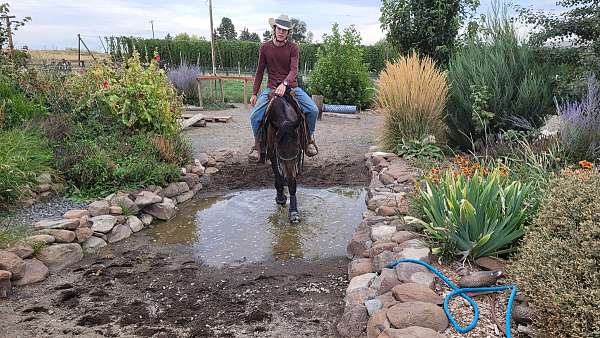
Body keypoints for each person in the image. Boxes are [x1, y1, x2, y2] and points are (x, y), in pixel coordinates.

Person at [248, 14, 319, 162]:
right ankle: (258, 146)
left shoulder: (293, 48)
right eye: (279, 28)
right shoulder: (265, 48)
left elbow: (294, 70)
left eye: (284, 30)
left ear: (288, 33)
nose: (281, 32)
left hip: (292, 88)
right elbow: (260, 71)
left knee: (313, 110)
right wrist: (254, 93)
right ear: (274, 29)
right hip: (271, 88)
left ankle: (309, 140)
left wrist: (285, 83)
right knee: (255, 116)